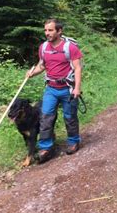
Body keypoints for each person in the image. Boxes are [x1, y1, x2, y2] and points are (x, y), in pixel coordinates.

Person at [26, 18, 83, 162]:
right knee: (45, 117)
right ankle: (46, 147)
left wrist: (77, 88)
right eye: (45, 30)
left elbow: (77, 68)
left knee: (70, 117)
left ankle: (73, 141)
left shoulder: (70, 48)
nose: (47, 33)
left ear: (59, 31)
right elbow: (42, 66)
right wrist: (33, 73)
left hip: (67, 88)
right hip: (51, 88)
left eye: (50, 30)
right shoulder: (43, 47)